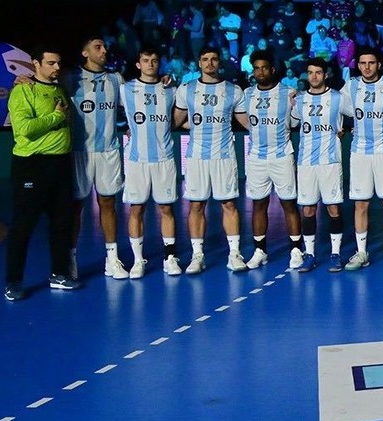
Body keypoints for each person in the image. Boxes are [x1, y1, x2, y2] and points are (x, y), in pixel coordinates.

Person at [5, 46, 78, 300]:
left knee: (61, 223)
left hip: (60, 165)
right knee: (23, 226)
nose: (56, 68)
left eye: (58, 63)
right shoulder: (23, 89)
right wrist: (56, 117)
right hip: (32, 165)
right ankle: (13, 281)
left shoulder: (59, 88)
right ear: (36, 64)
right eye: (50, 63)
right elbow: (24, 128)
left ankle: (59, 274)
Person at [172, 47, 250, 274]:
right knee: (196, 205)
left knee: (229, 204)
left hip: (224, 156)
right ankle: (198, 256)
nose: (210, 63)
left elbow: (246, 122)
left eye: (214, 59)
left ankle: (234, 254)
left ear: (219, 63)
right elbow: (175, 122)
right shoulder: (186, 90)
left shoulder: (234, 90)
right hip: (196, 156)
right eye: (205, 59)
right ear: (199, 63)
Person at [63, 38, 125, 280]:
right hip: (79, 151)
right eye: (98, 47)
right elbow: (43, 83)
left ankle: (112, 259)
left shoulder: (116, 79)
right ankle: (70, 260)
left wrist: (164, 82)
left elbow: (139, 96)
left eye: (104, 47)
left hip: (108, 150)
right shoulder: (70, 78)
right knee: (76, 206)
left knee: (108, 203)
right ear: (84, 51)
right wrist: (23, 79)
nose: (104, 51)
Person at [120, 48, 180, 279]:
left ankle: (170, 257)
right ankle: (137, 261)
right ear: (138, 64)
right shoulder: (125, 89)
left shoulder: (170, 89)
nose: (150, 64)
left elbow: (179, 116)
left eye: (154, 61)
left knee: (166, 208)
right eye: (145, 61)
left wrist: (171, 79)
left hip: (164, 159)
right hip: (137, 160)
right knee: (137, 209)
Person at [343, 49, 383, 271]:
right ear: (357, 65)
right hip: (359, 152)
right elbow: (334, 106)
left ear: (379, 64)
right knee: (360, 204)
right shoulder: (350, 86)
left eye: (371, 63)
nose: (366, 67)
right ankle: (361, 253)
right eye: (362, 63)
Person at [243, 51, 305, 270]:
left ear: (272, 69)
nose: (260, 72)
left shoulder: (288, 93)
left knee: (288, 204)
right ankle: (260, 251)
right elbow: (242, 118)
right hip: (256, 157)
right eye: (256, 68)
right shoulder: (247, 93)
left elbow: (296, 123)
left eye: (264, 67)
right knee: (259, 203)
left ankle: (296, 249)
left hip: (282, 155)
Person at [293, 59, 355, 272]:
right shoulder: (299, 100)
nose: (314, 77)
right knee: (308, 208)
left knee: (333, 207)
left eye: (318, 73)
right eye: (310, 73)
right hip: (306, 162)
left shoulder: (338, 98)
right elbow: (292, 122)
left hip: (330, 160)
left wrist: (349, 129)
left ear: (325, 74)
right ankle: (309, 254)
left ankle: (336, 253)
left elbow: (360, 115)